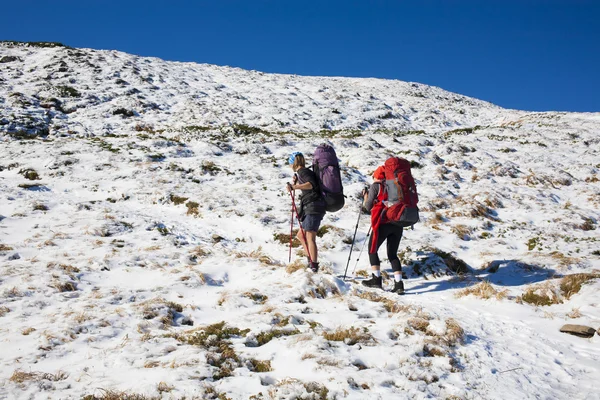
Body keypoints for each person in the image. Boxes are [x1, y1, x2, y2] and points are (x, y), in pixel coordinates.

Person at [361, 166, 405, 294]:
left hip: (383, 223)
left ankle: (376, 279)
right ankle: (399, 284)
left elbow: (368, 207)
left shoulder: (376, 186)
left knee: (372, 250)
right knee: (392, 254)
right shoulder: (396, 185)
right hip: (397, 223)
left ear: (377, 176)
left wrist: (365, 197)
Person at [286, 152, 326, 272]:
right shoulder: (302, 173)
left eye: (289, 162)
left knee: (310, 236)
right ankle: (310, 259)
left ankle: (313, 265)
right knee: (300, 235)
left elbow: (311, 185)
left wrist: (294, 187)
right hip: (311, 206)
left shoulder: (303, 171)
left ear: (294, 162)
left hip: (313, 207)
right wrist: (297, 183)